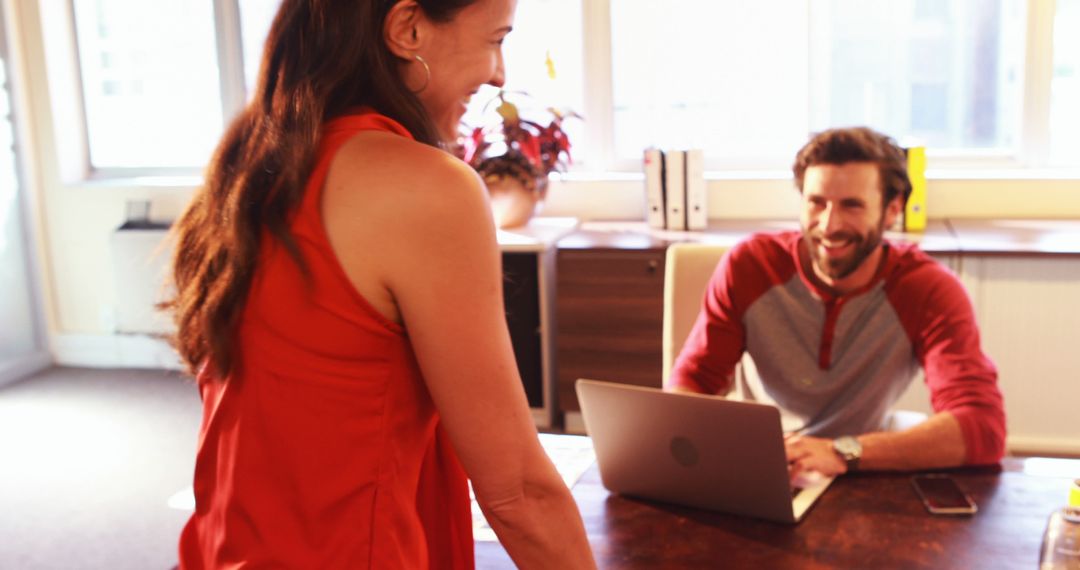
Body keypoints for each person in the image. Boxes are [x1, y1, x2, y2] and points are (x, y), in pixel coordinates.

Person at [163, 0, 595, 568]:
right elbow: (517, 490)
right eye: (495, 39)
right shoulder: (426, 186)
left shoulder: (248, 173)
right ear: (407, 28)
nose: (500, 73)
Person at [668, 127, 1006, 479]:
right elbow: (694, 380)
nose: (829, 225)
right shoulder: (750, 266)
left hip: (860, 466)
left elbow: (982, 427)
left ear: (892, 210)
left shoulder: (927, 289)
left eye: (852, 205)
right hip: (761, 466)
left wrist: (842, 453)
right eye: (816, 203)